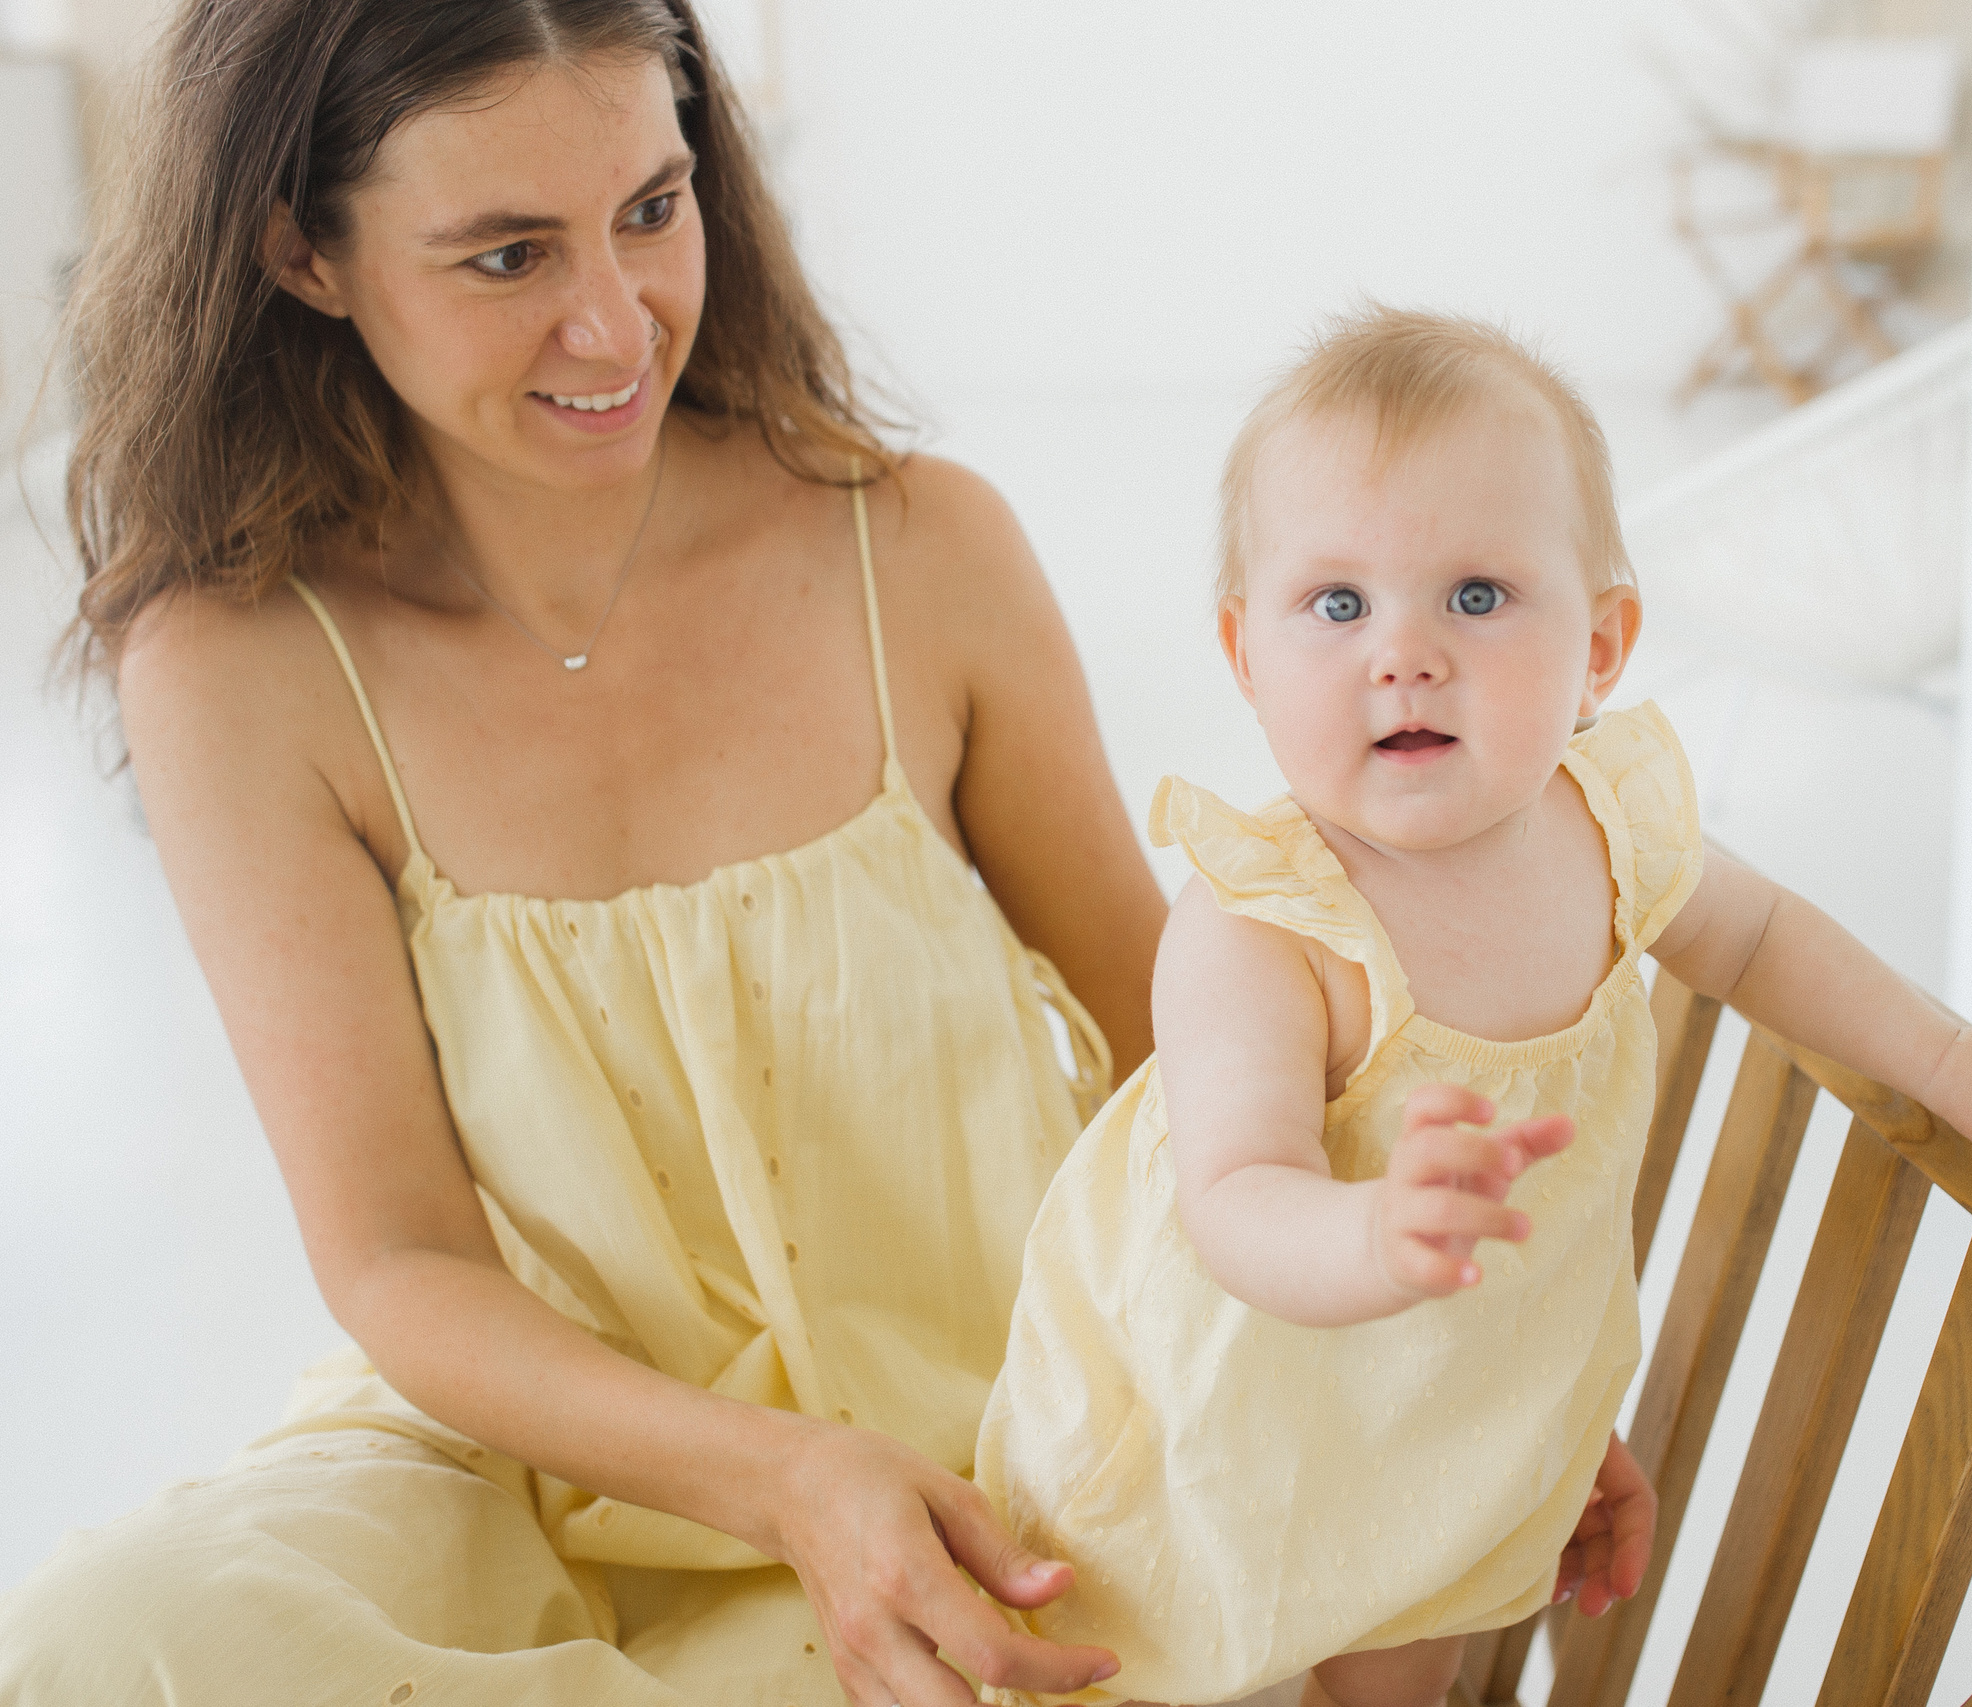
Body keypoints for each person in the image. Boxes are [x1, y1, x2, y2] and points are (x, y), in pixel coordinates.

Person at [0, 3, 1173, 1703]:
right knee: (100, 1649)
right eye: (504, 256)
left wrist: (1429, 1372)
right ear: (304, 256)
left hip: (987, 1447)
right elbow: (395, 1256)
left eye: (650, 206)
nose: (616, 323)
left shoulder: (914, 550)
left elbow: (1172, 1039)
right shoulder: (240, 664)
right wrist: (777, 1474)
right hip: (524, 1462)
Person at [972, 308, 1972, 1707]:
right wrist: (1375, 1230)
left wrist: (1947, 1052)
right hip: (1217, 1435)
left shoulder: (1612, 830)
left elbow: (1768, 937)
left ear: (1603, 644)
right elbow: (1233, 1193)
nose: (1405, 653)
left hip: (1458, 1423)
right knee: (1164, 1668)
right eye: (1339, 604)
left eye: (1476, 596)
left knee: (1412, 1661)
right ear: (1247, 655)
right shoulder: (1262, 918)